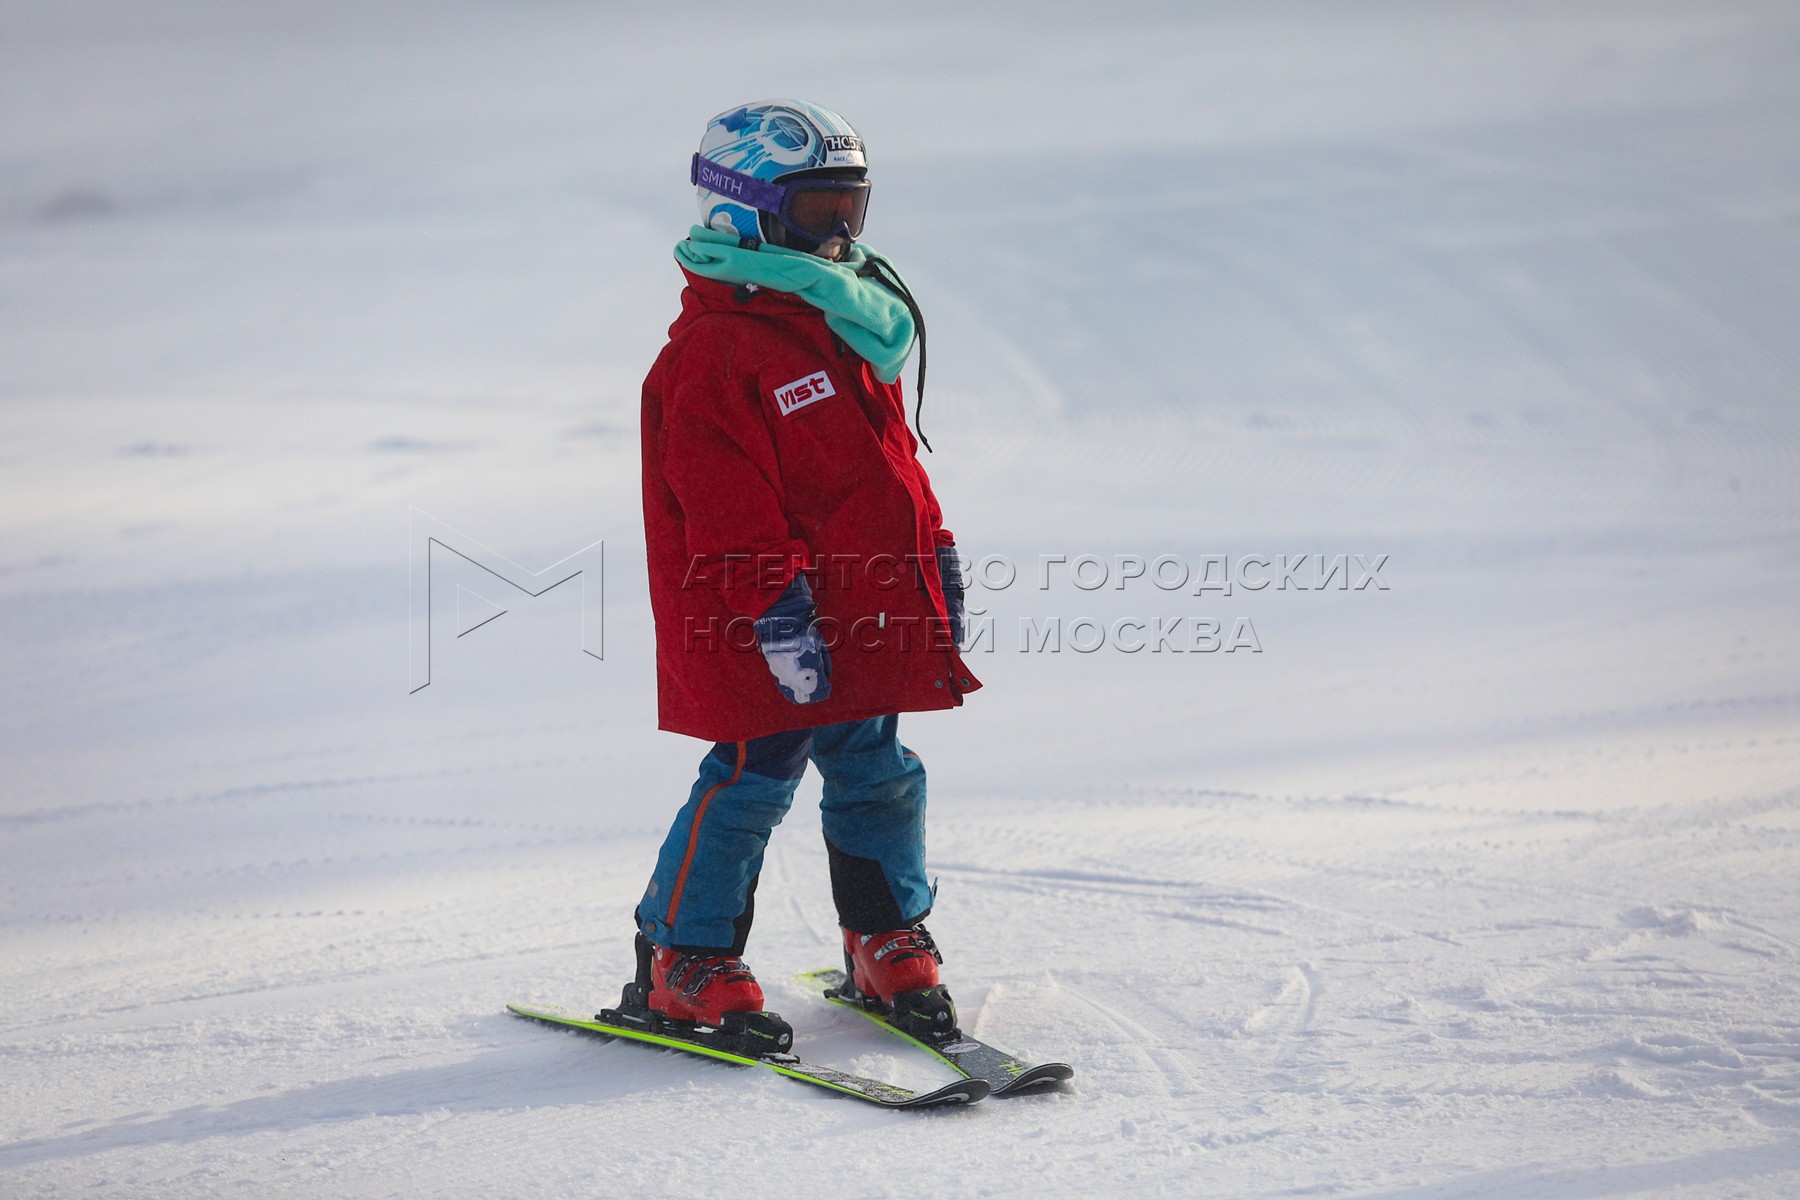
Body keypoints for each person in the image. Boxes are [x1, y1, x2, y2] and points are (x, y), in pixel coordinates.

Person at [629, 99, 980, 1047]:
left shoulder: (839, 319)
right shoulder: (716, 350)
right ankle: (682, 955)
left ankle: (883, 934)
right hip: (760, 618)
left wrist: (934, 552)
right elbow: (723, 503)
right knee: (753, 774)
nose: (840, 233)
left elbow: (890, 466)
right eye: (817, 209)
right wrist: (777, 612)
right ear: (742, 210)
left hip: (863, 602)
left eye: (851, 209)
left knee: (877, 768)